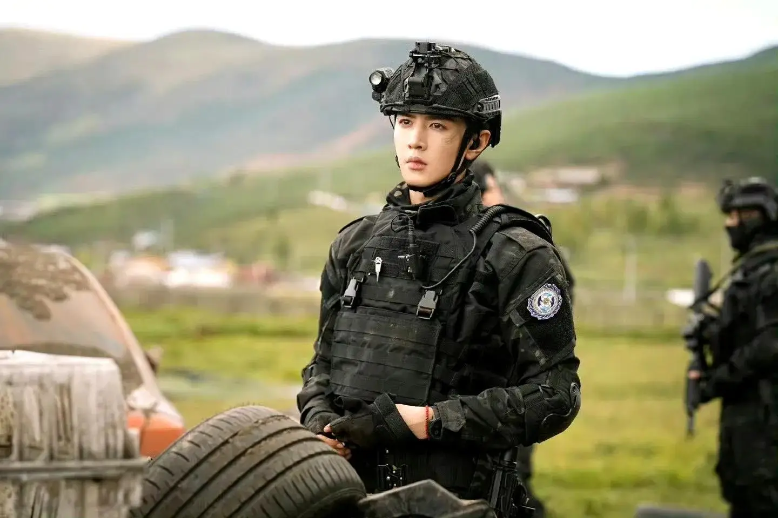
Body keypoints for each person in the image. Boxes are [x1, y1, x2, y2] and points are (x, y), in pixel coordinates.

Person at [296, 41, 581, 510]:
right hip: (344, 497)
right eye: (405, 121)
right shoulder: (354, 244)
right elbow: (320, 366)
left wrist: (427, 421)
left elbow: (555, 395)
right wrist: (319, 421)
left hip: (457, 505)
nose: (415, 140)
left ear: (477, 142)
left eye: (438, 125)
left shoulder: (514, 254)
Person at [684, 177, 778, 517]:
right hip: (746, 410)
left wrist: (716, 381)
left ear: (757, 216)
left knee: (761, 497)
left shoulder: (771, 273)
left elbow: (768, 346)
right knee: (740, 490)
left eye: (735, 216)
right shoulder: (750, 268)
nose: (729, 224)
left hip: (765, 413)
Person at [471, 160, 576, 304]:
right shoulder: (522, 239)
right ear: (481, 195)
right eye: (493, 188)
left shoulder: (524, 237)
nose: (499, 194)